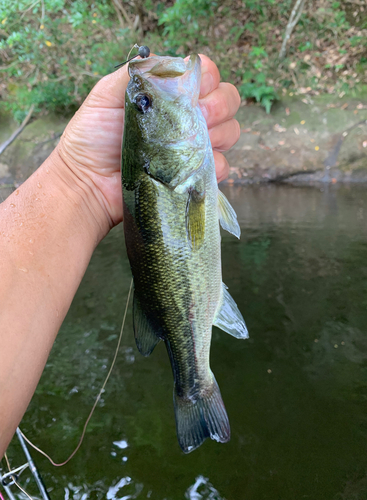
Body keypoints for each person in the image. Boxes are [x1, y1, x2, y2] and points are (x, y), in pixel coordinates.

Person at [0, 54, 241, 458]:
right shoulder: (176, 175)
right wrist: (77, 179)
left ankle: (194, 386)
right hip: (184, 192)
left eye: (143, 104)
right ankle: (194, 385)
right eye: (144, 105)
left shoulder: (173, 175)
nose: (144, 94)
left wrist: (77, 183)